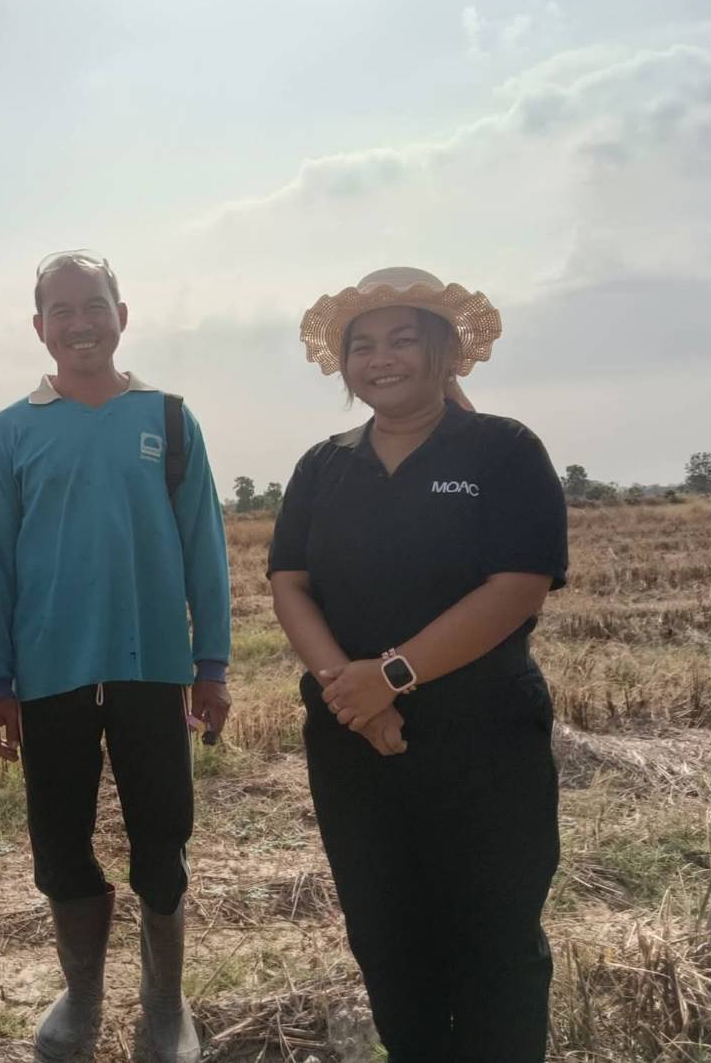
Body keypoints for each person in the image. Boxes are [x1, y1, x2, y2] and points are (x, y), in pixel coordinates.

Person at [268, 267, 567, 1062]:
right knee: (386, 937)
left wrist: (390, 677)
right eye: (361, 345)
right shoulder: (322, 465)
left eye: (402, 339)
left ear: (443, 353)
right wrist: (349, 693)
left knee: (495, 937)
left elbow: (517, 586)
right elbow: (289, 582)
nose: (380, 359)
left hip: (484, 737)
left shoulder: (503, 449)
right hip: (352, 745)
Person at [0, 250, 232, 1062]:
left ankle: (164, 1004)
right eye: (61, 311)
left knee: (163, 833)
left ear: (122, 315)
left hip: (151, 668)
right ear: (38, 327)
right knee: (58, 842)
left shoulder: (169, 419)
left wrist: (212, 665)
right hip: (47, 674)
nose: (79, 324)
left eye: (93, 306)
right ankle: (82, 997)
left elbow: (204, 548)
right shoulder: (11, 431)